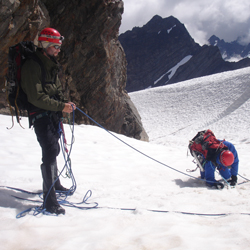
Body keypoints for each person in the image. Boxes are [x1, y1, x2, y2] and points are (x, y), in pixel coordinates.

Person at [21, 28, 76, 215]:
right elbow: (35, 97)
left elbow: (56, 89)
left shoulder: (50, 64)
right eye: (55, 47)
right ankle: (49, 201)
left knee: (54, 148)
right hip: (39, 113)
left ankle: (55, 184)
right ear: (45, 45)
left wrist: (64, 104)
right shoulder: (32, 65)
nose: (58, 51)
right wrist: (60, 106)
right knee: (50, 149)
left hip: (51, 113)